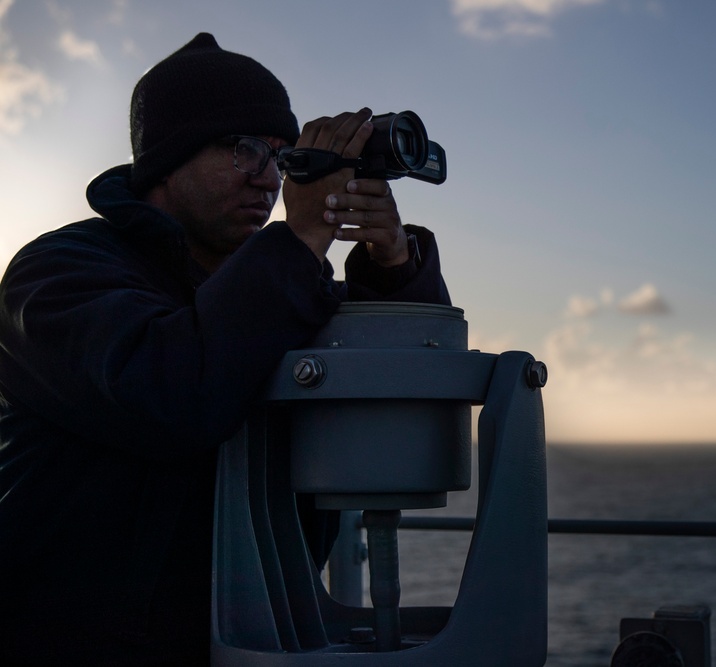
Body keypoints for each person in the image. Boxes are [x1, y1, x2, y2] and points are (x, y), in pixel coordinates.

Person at [0, 33, 450, 666]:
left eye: (281, 155)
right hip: (64, 640)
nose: (269, 178)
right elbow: (169, 393)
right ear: (165, 161)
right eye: (242, 150)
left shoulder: (281, 284)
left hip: (256, 636)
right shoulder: (56, 272)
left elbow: (405, 383)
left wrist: (393, 263)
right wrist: (299, 239)